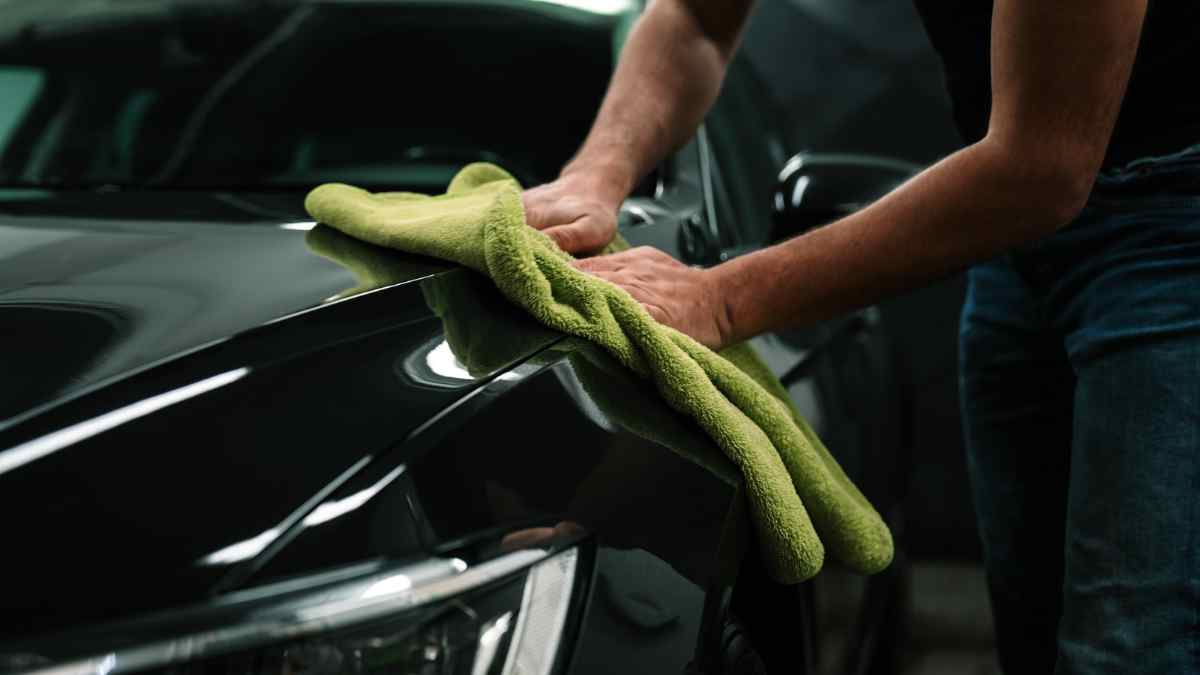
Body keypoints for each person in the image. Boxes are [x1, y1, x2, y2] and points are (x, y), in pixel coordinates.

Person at [521, 1, 1200, 672]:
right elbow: (697, 18)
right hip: (1021, 235)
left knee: (1129, 649)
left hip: (1169, 224)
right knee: (1035, 632)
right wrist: (593, 174)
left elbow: (1041, 171)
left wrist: (719, 299)